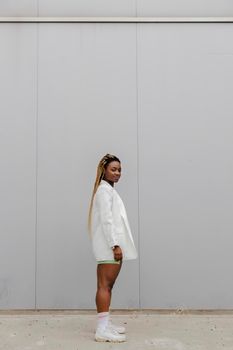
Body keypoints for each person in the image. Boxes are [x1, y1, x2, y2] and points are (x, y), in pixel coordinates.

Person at [88, 153, 138, 342]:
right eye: (113, 169)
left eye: (119, 170)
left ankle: (105, 323)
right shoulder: (103, 191)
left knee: (107, 286)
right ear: (104, 171)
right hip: (109, 246)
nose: (118, 173)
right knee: (104, 286)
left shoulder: (108, 190)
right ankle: (101, 330)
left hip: (110, 246)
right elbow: (107, 221)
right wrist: (114, 245)